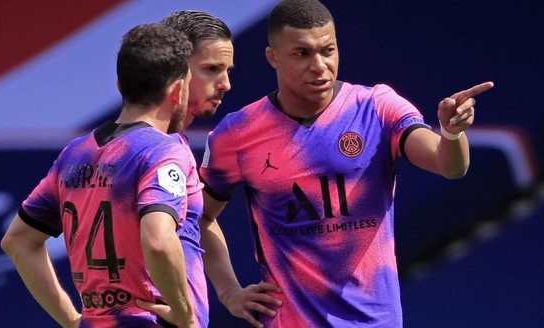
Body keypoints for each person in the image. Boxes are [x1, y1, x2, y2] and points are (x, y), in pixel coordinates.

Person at [197, 0, 495, 327]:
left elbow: (450, 166)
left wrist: (452, 134)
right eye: (302, 54)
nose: (320, 65)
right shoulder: (237, 133)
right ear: (273, 57)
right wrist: (228, 291)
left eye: (328, 50)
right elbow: (200, 217)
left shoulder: (378, 107)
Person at [0, 23, 199, 328]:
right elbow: (158, 240)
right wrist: (185, 316)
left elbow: (17, 241)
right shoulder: (163, 150)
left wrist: (70, 320)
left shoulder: (74, 153)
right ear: (177, 91)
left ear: (120, 85)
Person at [132, 10, 241, 328]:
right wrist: (184, 315)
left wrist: (229, 290)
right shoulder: (155, 149)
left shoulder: (166, 142)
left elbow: (199, 220)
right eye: (211, 70)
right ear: (172, 70)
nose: (226, 84)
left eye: (227, 70)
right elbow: (156, 240)